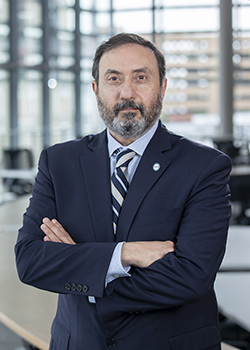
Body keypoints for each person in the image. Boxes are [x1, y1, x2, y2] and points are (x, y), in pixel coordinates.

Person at [15, 33, 231, 350]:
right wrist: (124, 254)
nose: (126, 92)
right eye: (113, 78)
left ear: (163, 87)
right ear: (95, 89)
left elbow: (190, 278)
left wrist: (83, 271)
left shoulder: (204, 167)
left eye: (141, 78)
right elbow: (31, 261)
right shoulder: (59, 162)